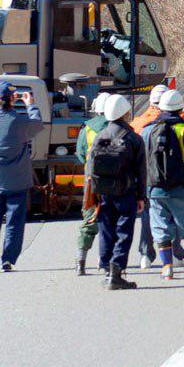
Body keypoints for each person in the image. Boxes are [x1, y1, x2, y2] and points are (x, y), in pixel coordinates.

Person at [0, 81, 44, 274]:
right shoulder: (20, 122)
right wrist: (30, 104)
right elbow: (37, 124)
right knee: (14, 221)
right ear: (14, 99)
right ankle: (8, 260)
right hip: (18, 180)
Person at [142, 90, 184, 280]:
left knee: (161, 228)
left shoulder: (147, 131)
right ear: (180, 108)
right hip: (183, 188)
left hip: (155, 189)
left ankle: (167, 268)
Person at [88, 94, 146, 290]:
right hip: (126, 192)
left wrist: (92, 196)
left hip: (103, 192)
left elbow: (91, 169)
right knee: (124, 232)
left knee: (106, 230)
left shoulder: (99, 136)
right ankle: (117, 271)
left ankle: (106, 269)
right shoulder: (134, 139)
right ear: (124, 113)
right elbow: (141, 171)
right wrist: (141, 196)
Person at [130, 84, 184, 270]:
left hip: (148, 178)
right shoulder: (182, 121)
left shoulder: (138, 124)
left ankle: (146, 254)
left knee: (148, 217)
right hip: (177, 177)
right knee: (175, 215)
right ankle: (176, 254)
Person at [74, 91, 110, 275]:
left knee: (90, 219)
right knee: (110, 221)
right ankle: (104, 262)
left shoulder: (86, 130)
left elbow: (81, 155)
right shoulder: (118, 128)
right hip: (113, 181)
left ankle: (81, 261)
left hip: (91, 181)